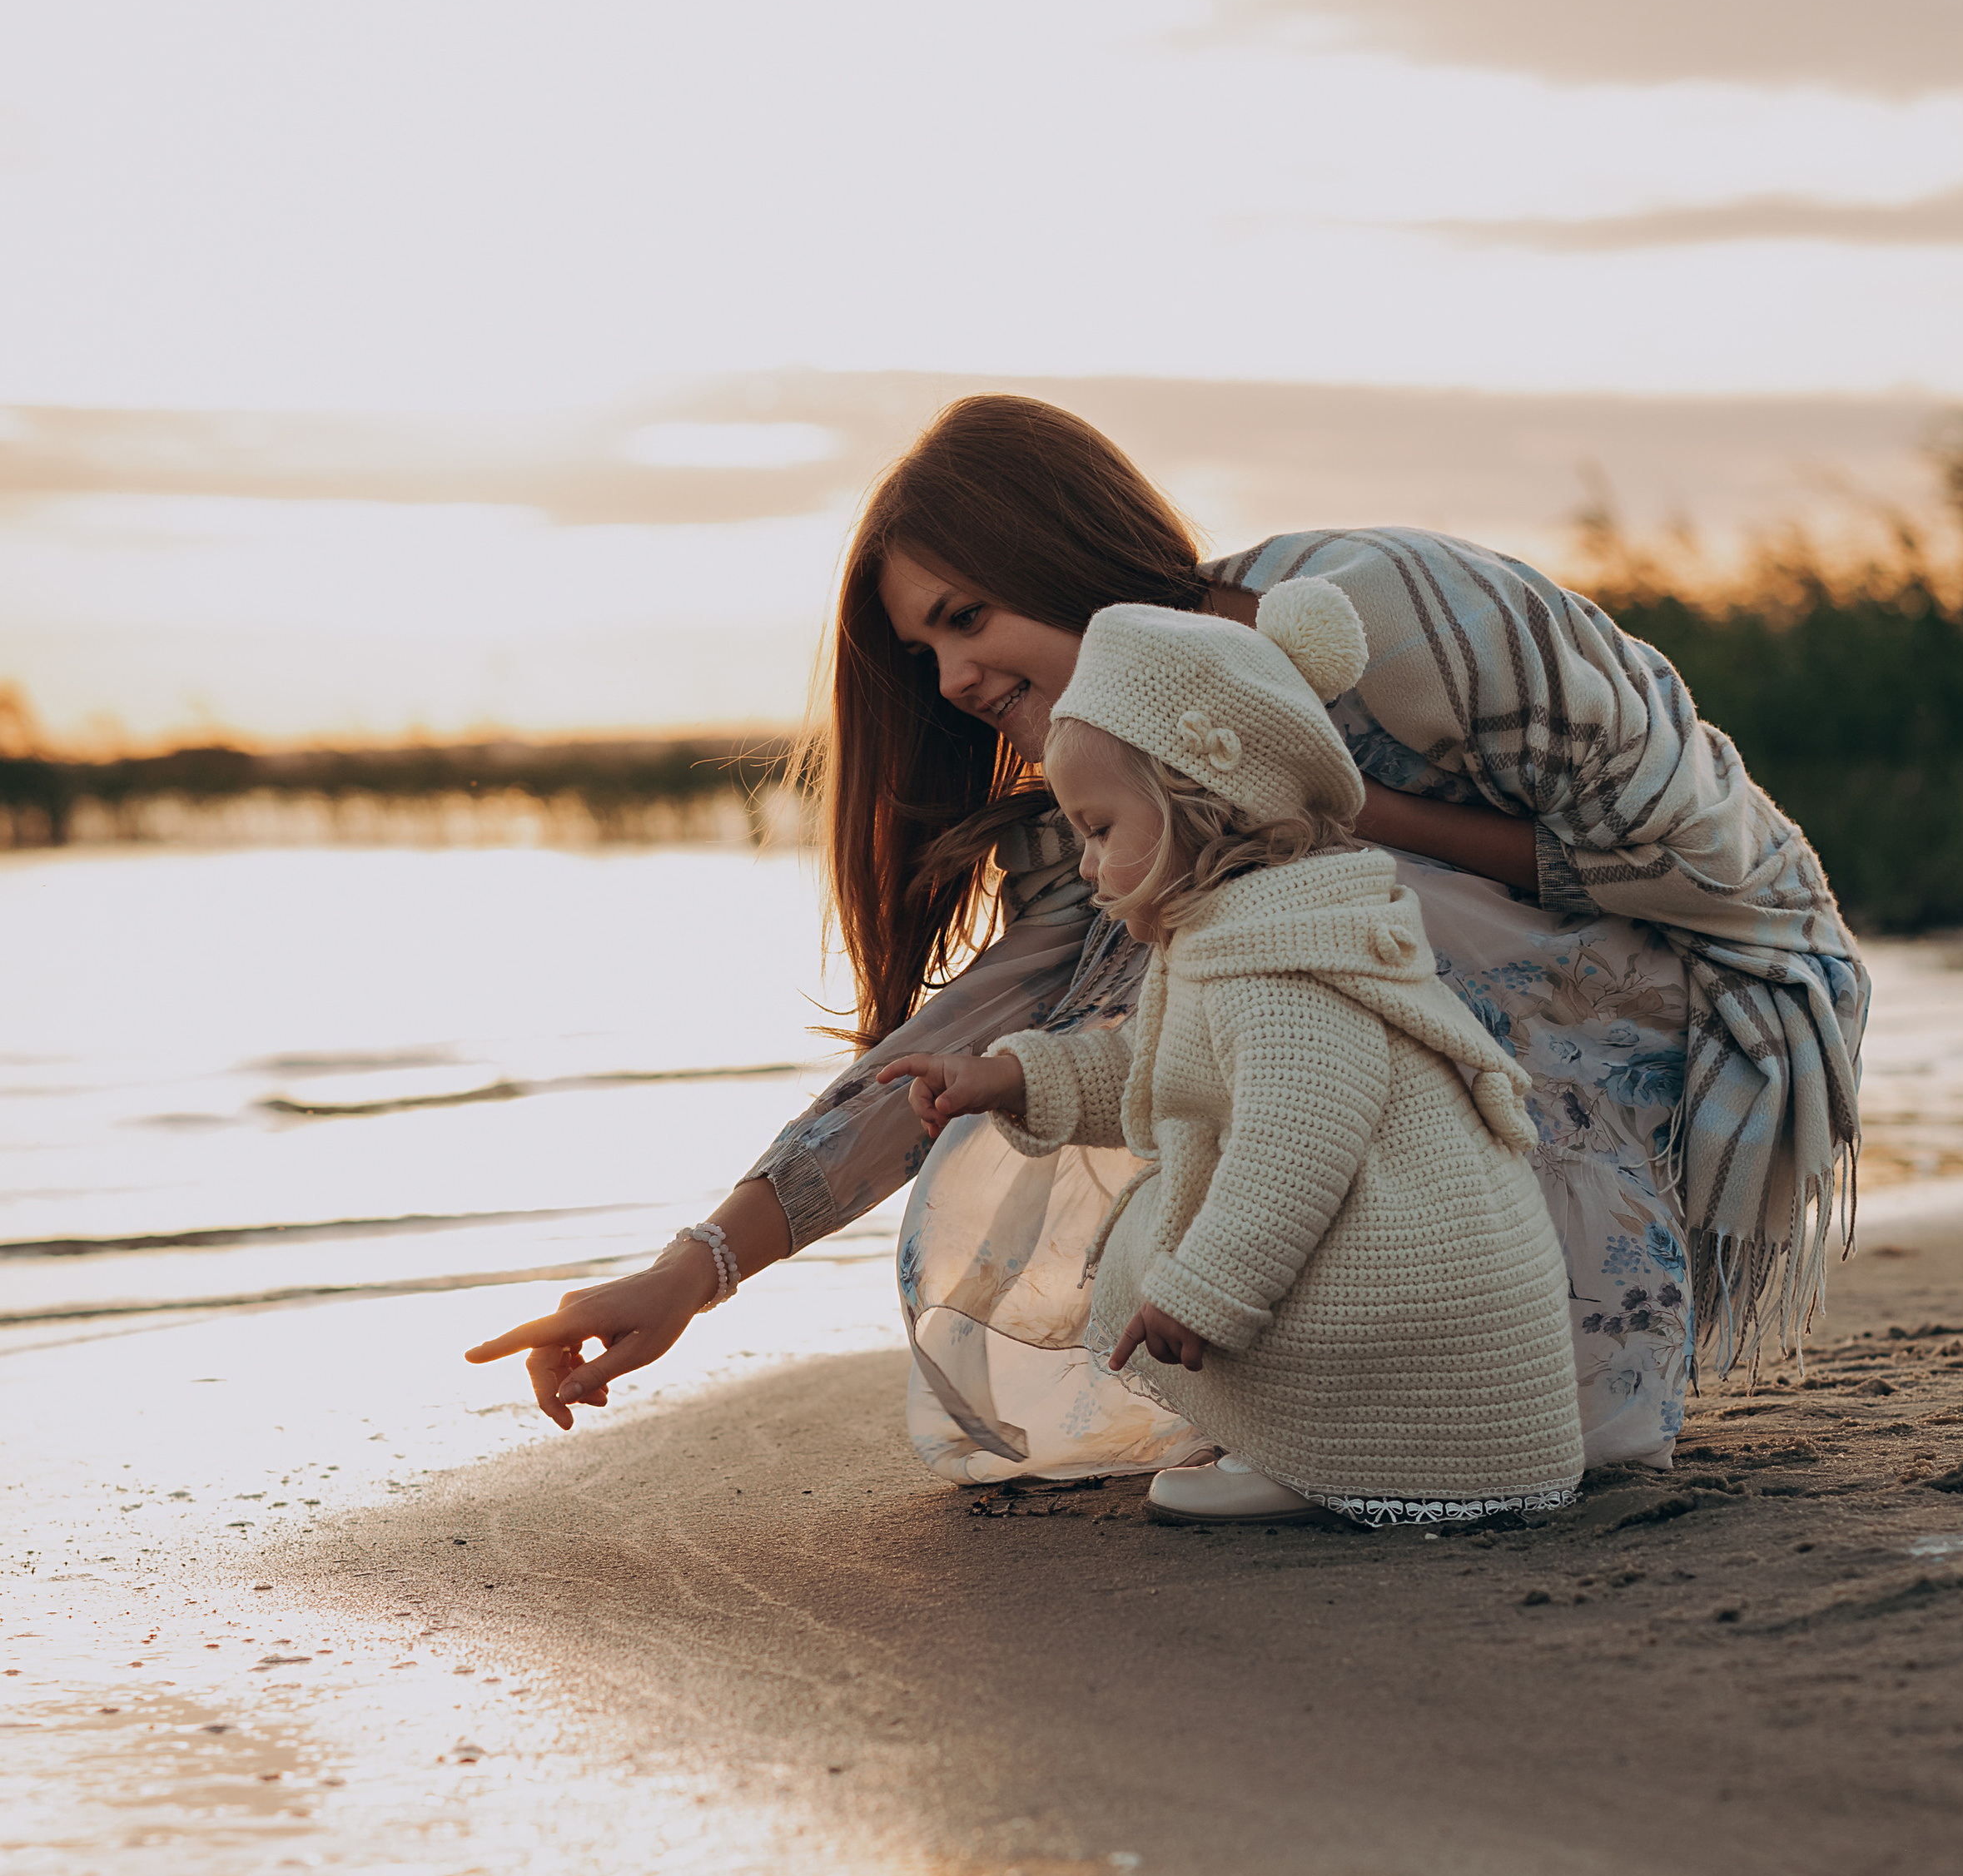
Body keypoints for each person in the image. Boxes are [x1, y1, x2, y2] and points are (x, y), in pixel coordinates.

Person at [468, 395, 1866, 1480]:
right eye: (923, 654)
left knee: (1284, 916)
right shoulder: (1136, 797)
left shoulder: (1374, 614)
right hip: (1464, 1020)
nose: (952, 681)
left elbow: (1703, 862)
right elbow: (959, 1038)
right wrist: (694, 1270)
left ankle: (1538, 1375)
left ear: (1056, 549)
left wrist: (1328, 808)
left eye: (965, 618)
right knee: (1108, 1015)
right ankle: (1336, 1389)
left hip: (1716, 990)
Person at [882, 578, 1585, 1527]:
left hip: (1410, 1286)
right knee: (1179, 1205)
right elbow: (1162, 1075)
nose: (1086, 863)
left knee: (1179, 1231)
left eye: (1099, 829)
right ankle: (1309, 1438)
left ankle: (1330, 1453)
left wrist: (1202, 1295)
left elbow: (1292, 1148)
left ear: (1202, 803)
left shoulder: (1278, 968)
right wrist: (1009, 1077)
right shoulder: (1250, 934)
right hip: (1414, 1291)